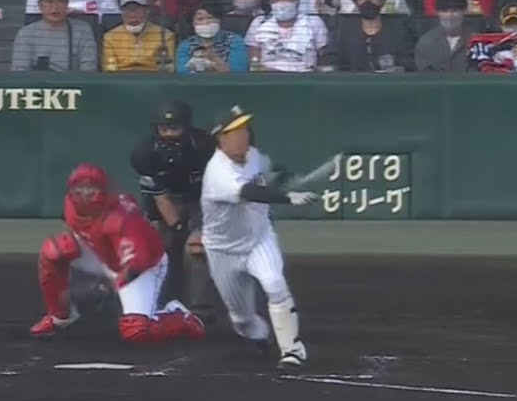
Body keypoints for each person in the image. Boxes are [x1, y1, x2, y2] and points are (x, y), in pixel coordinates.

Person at [30, 163, 208, 343]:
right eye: (79, 189)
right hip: (102, 253)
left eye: (91, 189)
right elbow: (74, 228)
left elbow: (138, 261)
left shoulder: (122, 218)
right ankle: (59, 316)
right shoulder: (69, 204)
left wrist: (110, 287)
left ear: (103, 190)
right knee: (54, 251)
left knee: (135, 330)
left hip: (144, 266)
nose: (84, 194)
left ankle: (178, 316)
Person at [199, 106, 319, 370]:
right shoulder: (217, 172)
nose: (242, 135)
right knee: (243, 320)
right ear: (221, 139)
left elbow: (268, 172)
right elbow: (249, 192)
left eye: (244, 129)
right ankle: (257, 333)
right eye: (235, 131)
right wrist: (287, 197)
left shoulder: (254, 156)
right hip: (223, 251)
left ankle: (292, 350)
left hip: (259, 240)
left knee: (274, 283)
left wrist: (282, 177)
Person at [130, 101, 221, 323]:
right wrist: (177, 226)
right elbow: (160, 196)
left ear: (186, 127)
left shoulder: (204, 146)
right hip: (167, 198)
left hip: (203, 196)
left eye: (175, 128)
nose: (169, 134)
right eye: (164, 129)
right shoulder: (145, 153)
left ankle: (201, 309)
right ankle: (165, 302)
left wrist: (201, 227)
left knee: (199, 248)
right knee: (165, 250)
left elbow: (216, 186)